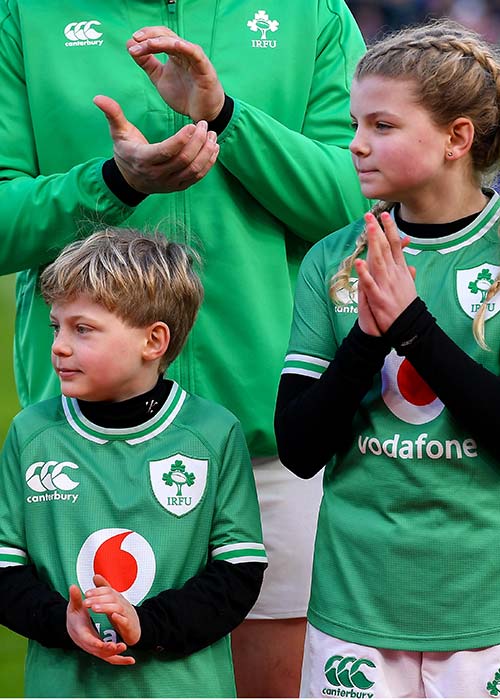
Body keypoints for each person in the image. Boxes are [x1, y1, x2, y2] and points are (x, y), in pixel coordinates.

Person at [0, 2, 369, 695]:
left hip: (269, 435)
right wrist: (113, 183)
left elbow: (359, 202)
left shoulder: (310, 10)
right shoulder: (22, 13)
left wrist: (229, 115)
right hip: (83, 449)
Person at [275, 18, 500, 698]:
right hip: (357, 608)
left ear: (457, 138)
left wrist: (413, 328)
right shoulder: (333, 259)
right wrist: (370, 336)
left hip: (483, 610)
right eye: (355, 123)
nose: (355, 144)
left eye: (383, 126)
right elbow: (301, 447)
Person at [0, 227, 268, 698]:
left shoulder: (212, 433)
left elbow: (237, 573)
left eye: (82, 329)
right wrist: (61, 623)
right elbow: (5, 565)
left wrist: (147, 624)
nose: (59, 345)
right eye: (55, 326)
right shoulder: (31, 433)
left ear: (153, 341)